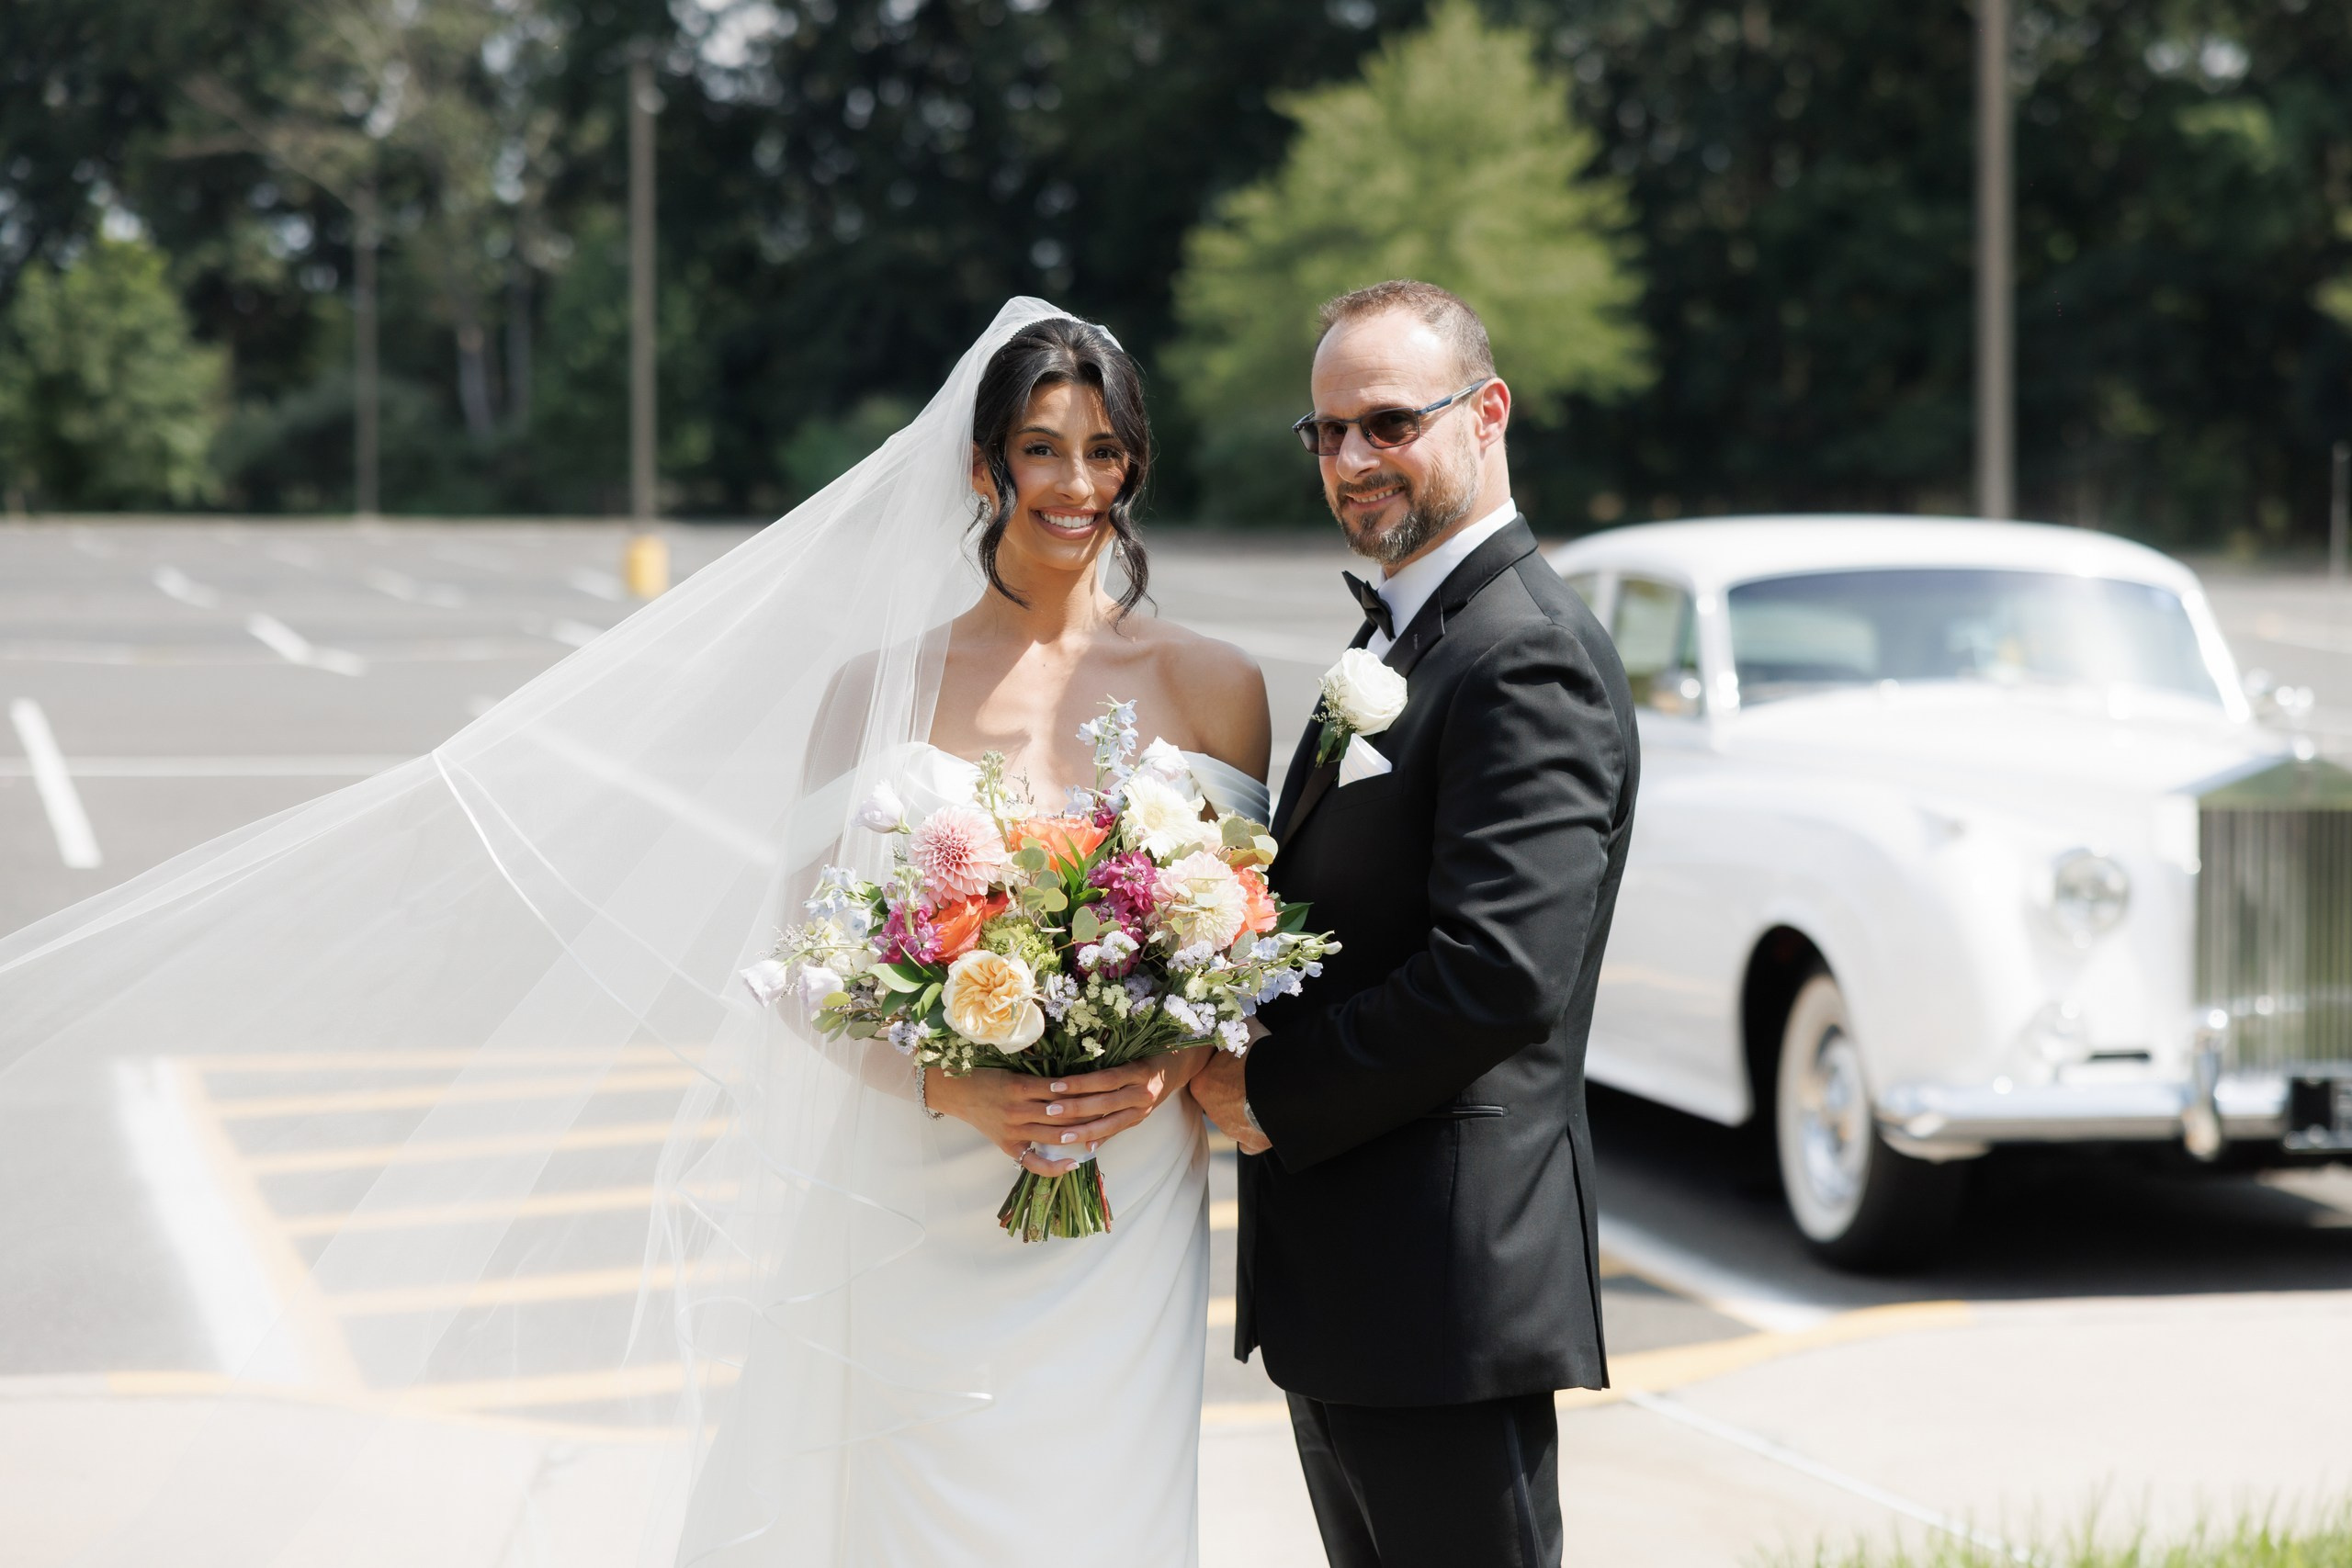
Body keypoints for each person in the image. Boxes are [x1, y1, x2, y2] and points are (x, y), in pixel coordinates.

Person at [0, 301, 1263, 1568]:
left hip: (1124, 1210)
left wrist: (1163, 1065)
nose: (1075, 482)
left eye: (1104, 451)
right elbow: (807, 975)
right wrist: (953, 1083)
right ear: (985, 468)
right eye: (1042, 448)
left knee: (1106, 1516)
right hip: (921, 1202)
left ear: (1137, 467)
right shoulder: (877, 687)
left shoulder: (1215, 688)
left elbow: (1249, 961)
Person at [1193, 279, 1642, 1568]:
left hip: (1445, 1286)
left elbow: (1500, 975)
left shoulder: (1523, 655)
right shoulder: (1405, 639)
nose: (1350, 460)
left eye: (1388, 423)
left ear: (1486, 412)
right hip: (1359, 1284)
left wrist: (1268, 1085)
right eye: (1326, 432)